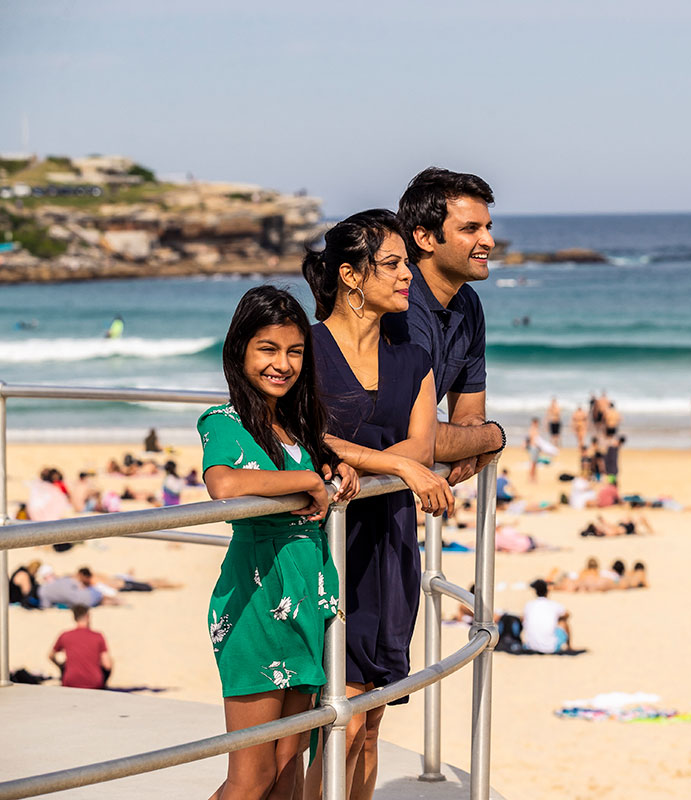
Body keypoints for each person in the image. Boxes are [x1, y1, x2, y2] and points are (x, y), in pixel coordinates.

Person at [302, 210, 455, 799]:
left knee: (371, 724)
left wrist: (398, 460)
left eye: (403, 264)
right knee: (342, 718)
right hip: (326, 544)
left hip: (390, 549)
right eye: (390, 265)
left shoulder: (413, 359)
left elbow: (422, 441)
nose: (405, 276)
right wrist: (393, 465)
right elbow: (306, 433)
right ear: (350, 275)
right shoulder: (308, 348)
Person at [198, 285, 358, 800]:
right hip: (256, 601)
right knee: (253, 777)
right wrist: (307, 482)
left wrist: (336, 470)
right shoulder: (224, 422)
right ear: (240, 348)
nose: (282, 364)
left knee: (289, 770)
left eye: (294, 351)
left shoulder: (297, 425)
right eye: (267, 349)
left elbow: (316, 470)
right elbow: (222, 484)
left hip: (306, 599)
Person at [385, 167, 504, 486]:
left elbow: (468, 417)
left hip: (393, 489)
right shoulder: (400, 303)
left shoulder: (468, 303)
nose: (488, 241)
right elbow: (421, 439)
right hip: (342, 488)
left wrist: (470, 440)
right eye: (471, 228)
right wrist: (493, 436)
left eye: (488, 227)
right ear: (424, 238)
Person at [50, 605, 112, 689]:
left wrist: (61, 666)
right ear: (88, 616)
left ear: (74, 618)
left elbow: (50, 656)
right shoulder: (98, 636)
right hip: (94, 683)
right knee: (111, 661)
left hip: (70, 681)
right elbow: (107, 665)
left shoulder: (65, 635)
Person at [522, 579, 571, 653]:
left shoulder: (529, 605)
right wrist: (557, 618)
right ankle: (569, 647)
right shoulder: (554, 605)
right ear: (547, 592)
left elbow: (523, 619)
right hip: (550, 647)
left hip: (531, 646)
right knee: (563, 623)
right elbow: (567, 614)